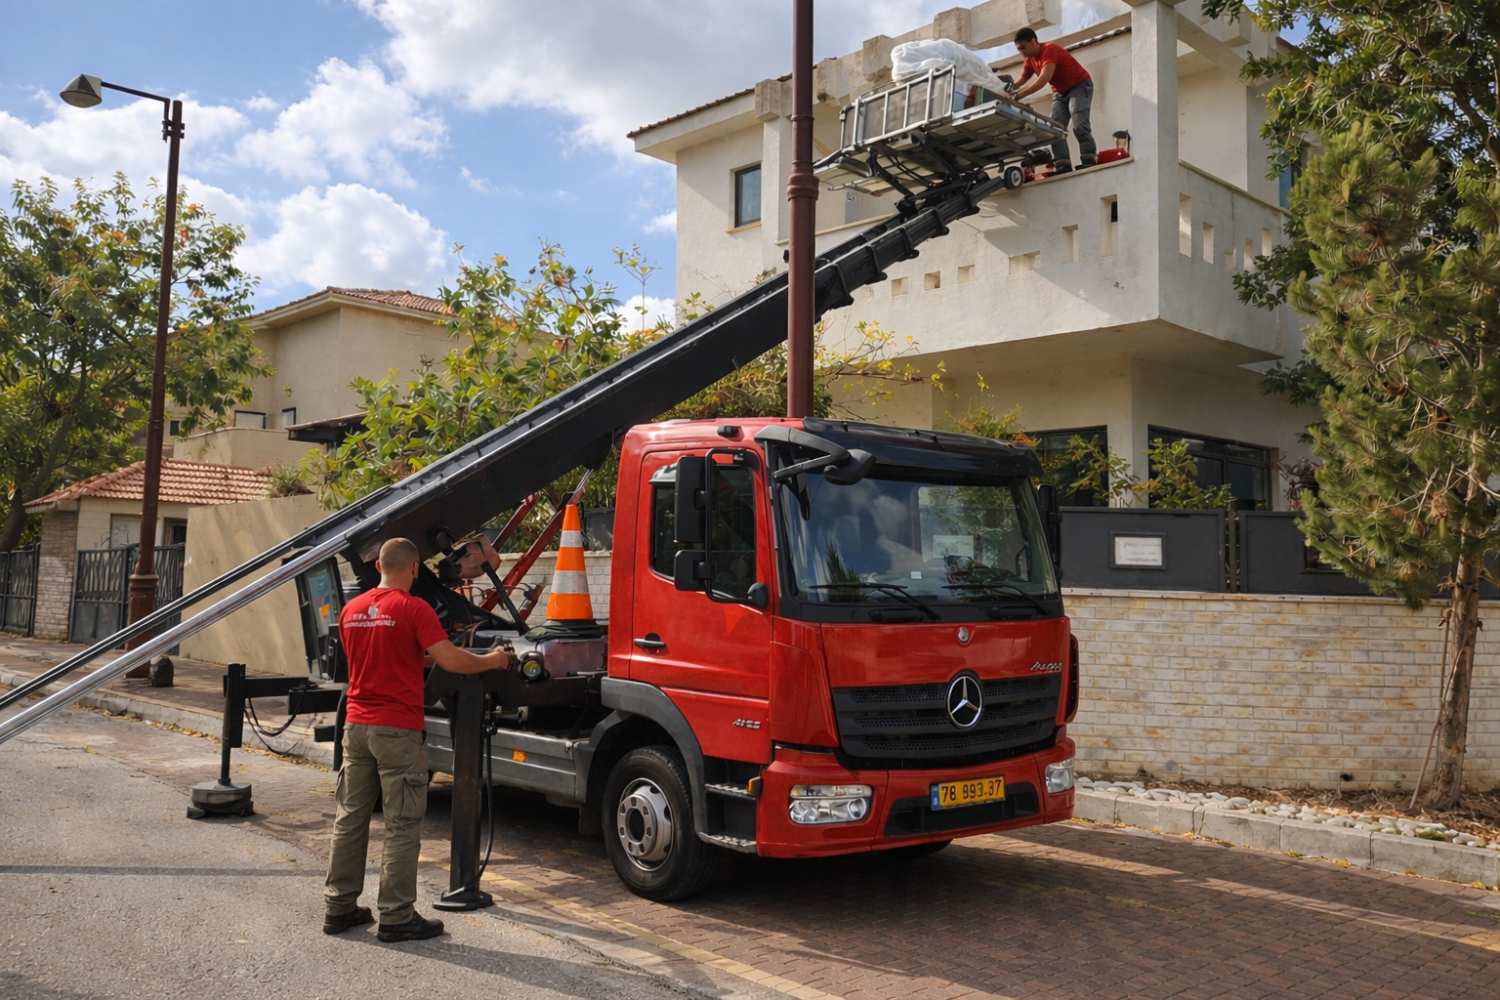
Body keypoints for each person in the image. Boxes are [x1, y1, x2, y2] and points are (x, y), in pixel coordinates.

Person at [323, 537, 511, 942]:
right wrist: (493, 659)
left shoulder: (352, 610)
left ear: (379, 569)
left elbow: (386, 652)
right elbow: (453, 662)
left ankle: (339, 908)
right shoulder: (414, 608)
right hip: (398, 728)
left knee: (351, 819)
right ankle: (395, 915)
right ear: (413, 570)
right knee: (402, 824)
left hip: (356, 726)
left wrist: (433, 650)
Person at [1004, 27, 1096, 173]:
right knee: (1054, 129)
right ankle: (1063, 164)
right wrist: (1004, 89)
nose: (1021, 51)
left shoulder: (1049, 50)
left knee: (1079, 123)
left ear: (1033, 41)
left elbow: (1042, 80)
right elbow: (1021, 80)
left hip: (1079, 86)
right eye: (1018, 49)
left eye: (1023, 47)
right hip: (1060, 92)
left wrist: (1018, 96)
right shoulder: (1029, 61)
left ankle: (1089, 159)